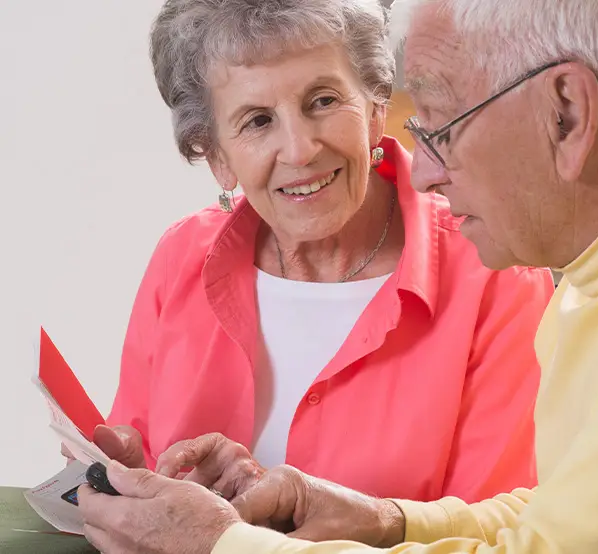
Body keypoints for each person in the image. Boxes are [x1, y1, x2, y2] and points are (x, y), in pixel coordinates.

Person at [77, 0, 598, 552]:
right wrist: (385, 520)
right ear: (214, 154)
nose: (425, 170)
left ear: (566, 114)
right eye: (257, 120)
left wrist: (221, 544)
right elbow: (561, 516)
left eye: (442, 124)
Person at [68, 0, 553, 506]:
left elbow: (496, 531)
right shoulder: (181, 256)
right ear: (215, 157)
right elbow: (144, 463)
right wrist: (121, 482)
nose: (300, 151)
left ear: (374, 108)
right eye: (257, 121)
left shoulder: (496, 271)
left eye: (322, 101)